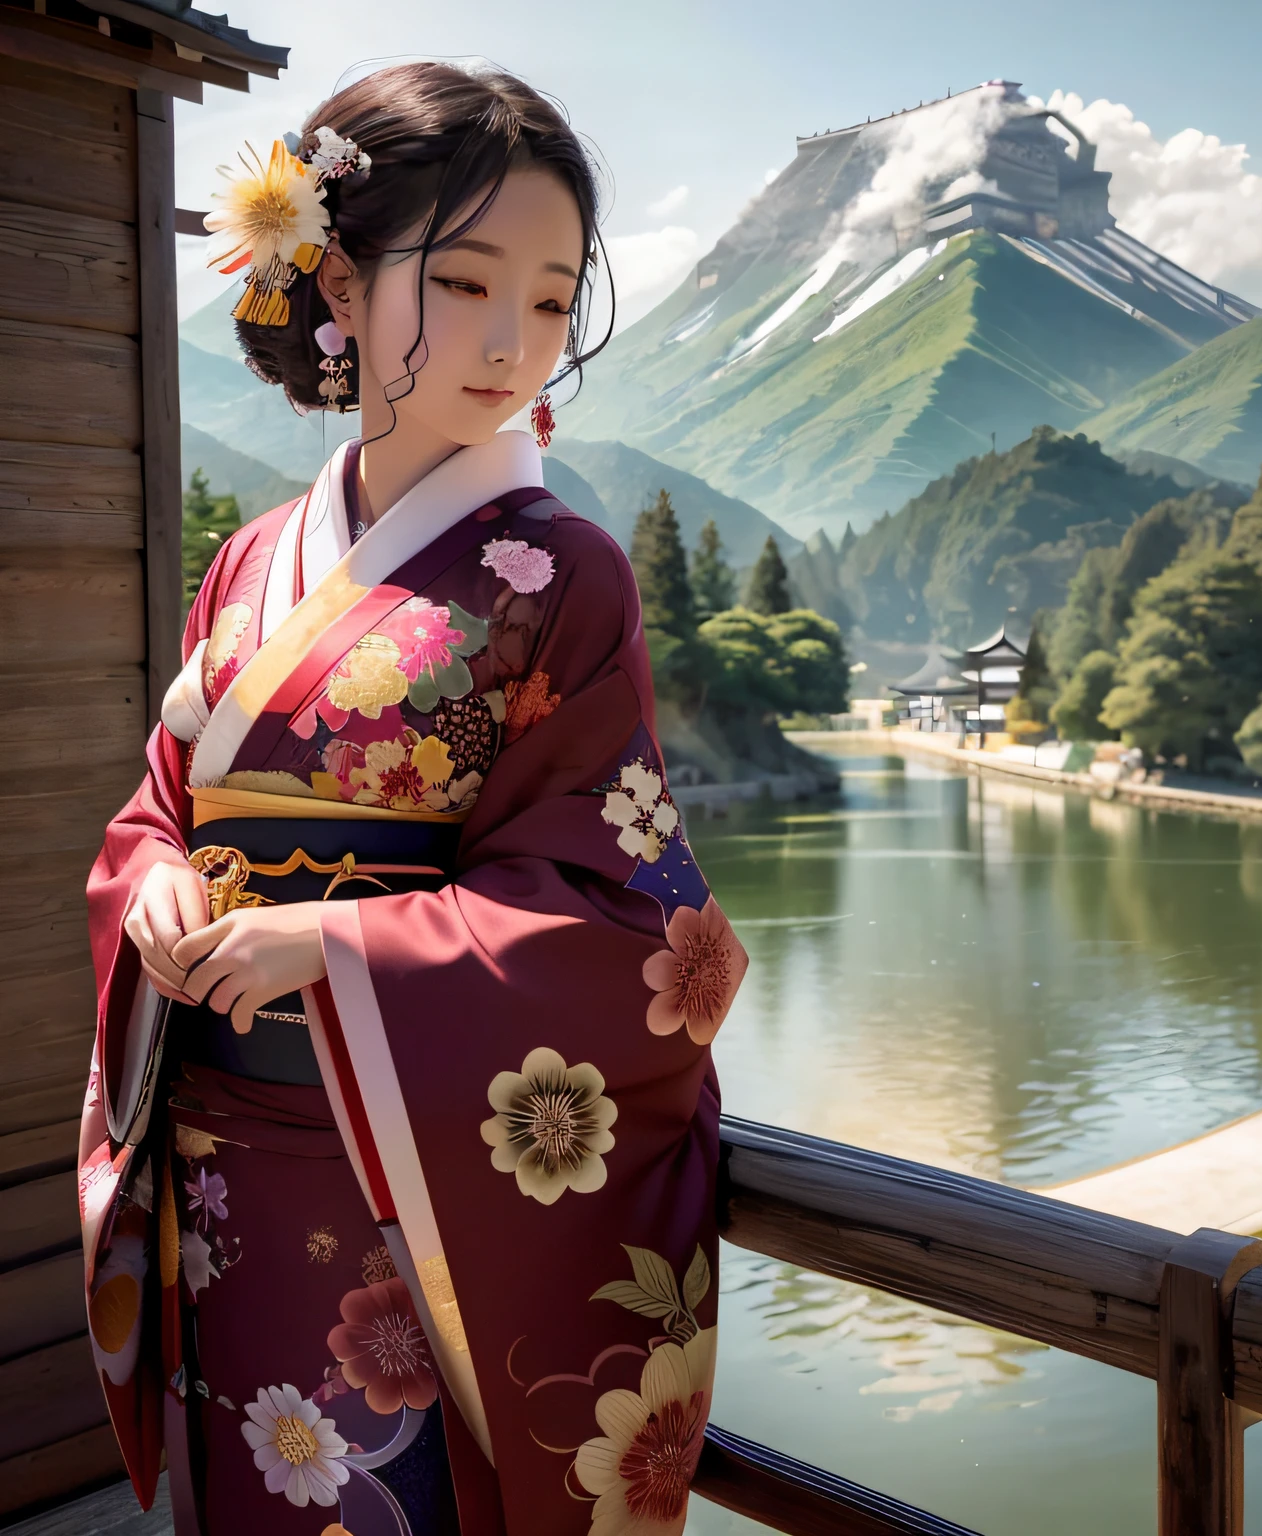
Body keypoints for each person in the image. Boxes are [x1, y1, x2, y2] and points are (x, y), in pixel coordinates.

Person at [81, 62, 746, 1536]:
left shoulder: (564, 577)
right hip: (221, 1179)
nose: (514, 342)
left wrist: (330, 947)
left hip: (416, 1192)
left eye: (556, 300)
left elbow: (624, 914)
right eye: (461, 283)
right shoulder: (253, 562)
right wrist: (160, 891)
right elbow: (158, 807)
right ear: (338, 277)